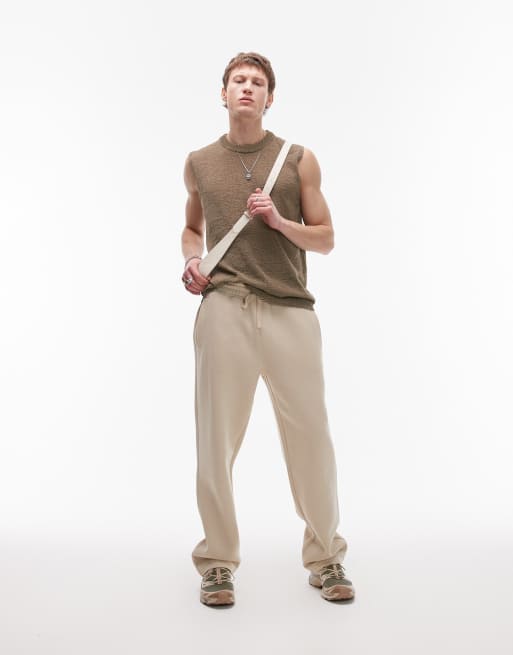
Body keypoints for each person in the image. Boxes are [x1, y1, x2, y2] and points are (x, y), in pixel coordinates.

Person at [181, 52, 354, 606]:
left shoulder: (297, 159)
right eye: (238, 80)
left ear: (269, 98)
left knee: (311, 439)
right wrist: (192, 259)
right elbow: (191, 228)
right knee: (215, 440)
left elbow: (326, 238)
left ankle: (326, 558)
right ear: (224, 93)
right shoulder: (199, 162)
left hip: (290, 311)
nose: (247, 88)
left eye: (257, 82)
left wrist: (279, 222)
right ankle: (217, 563)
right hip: (224, 308)